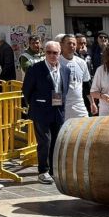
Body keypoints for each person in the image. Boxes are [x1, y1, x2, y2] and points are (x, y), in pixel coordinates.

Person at [22, 41, 70, 184]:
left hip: (58, 110)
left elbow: (64, 89)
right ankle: (43, 171)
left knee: (56, 141)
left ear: (59, 53)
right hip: (41, 111)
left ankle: (53, 170)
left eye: (55, 53)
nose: (51, 55)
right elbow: (26, 90)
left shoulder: (65, 70)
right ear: (44, 53)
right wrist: (36, 104)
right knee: (45, 141)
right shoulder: (35, 69)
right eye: (48, 52)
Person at [59, 34, 94, 120]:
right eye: (69, 43)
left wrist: (92, 103)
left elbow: (87, 85)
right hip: (62, 107)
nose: (72, 46)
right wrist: (57, 108)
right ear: (61, 45)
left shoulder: (81, 62)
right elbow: (54, 87)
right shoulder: (56, 62)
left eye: (74, 44)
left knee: (85, 131)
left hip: (79, 105)